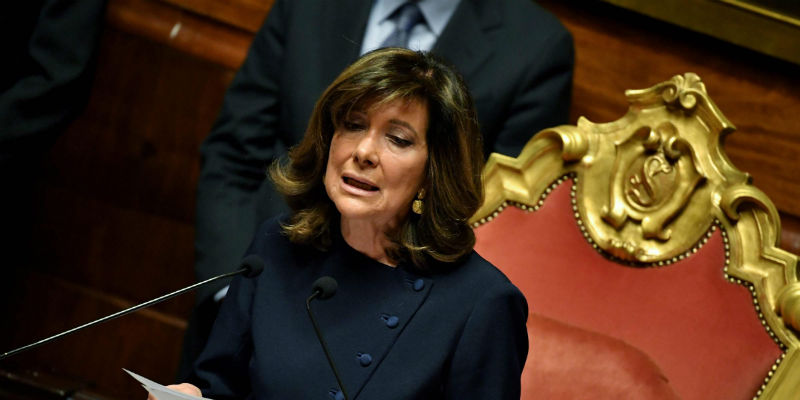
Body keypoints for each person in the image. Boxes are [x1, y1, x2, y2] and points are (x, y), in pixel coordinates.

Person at [183, 0, 572, 376]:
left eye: (398, 139)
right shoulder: (270, 249)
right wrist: (236, 300)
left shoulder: (482, 307)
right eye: (352, 125)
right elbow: (233, 153)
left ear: (436, 172)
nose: (364, 152)